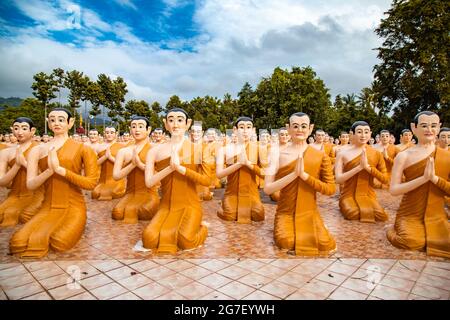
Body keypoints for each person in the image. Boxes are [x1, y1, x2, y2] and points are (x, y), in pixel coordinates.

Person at [10, 108, 99, 258]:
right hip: (48, 206)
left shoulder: (83, 149)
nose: (56, 123)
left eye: (61, 119)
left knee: (59, 241)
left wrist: (61, 170)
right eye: (52, 120)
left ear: (70, 123)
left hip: (73, 205)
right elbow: (31, 184)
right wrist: (48, 172)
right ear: (48, 124)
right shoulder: (37, 150)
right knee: (18, 243)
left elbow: (91, 184)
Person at [264, 112, 336, 256]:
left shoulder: (320, 156)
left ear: (310, 129)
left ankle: (319, 224)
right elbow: (267, 189)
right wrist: (293, 175)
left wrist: (305, 176)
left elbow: (330, 189)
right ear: (288, 128)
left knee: (325, 244)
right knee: (287, 242)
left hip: (309, 211)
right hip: (286, 211)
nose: (299, 130)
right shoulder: (278, 154)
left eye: (304, 126)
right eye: (295, 126)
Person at [142, 108, 211, 253]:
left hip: (190, 204)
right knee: (149, 239)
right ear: (165, 124)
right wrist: (170, 168)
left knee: (185, 240)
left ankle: (202, 228)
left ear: (188, 124)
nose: (175, 124)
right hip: (166, 205)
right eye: (171, 120)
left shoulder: (197, 149)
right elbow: (149, 182)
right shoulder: (154, 151)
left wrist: (181, 169)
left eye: (180, 120)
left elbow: (207, 181)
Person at [387, 111, 449, 258]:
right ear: (414, 128)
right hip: (410, 214)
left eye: (433, 125)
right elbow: (394, 190)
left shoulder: (447, 156)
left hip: (436, 215)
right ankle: (391, 230)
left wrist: (434, 179)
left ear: (439, 127)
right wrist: (423, 179)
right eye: (424, 125)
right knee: (410, 241)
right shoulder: (404, 156)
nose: (429, 129)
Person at [335, 121, 389, 223]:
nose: (363, 135)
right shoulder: (342, 154)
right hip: (349, 194)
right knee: (352, 213)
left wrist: (368, 168)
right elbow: (338, 179)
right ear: (352, 134)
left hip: (368, 195)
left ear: (370, 133)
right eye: (359, 132)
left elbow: (385, 180)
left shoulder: (376, 154)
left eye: (366, 132)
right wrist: (358, 168)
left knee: (381, 215)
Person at [216, 117, 265, 223]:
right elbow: (219, 174)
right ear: (235, 130)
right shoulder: (224, 150)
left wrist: (248, 164)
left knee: (258, 215)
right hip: (232, 192)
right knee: (229, 215)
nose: (245, 130)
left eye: (248, 127)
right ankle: (223, 205)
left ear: (253, 130)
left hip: (251, 192)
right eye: (241, 127)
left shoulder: (259, 149)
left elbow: (266, 174)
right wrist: (238, 164)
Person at [112, 116, 159, 223]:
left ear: (148, 130)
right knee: (117, 213)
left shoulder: (155, 150)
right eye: (134, 126)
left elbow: (158, 175)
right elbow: (116, 176)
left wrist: (140, 165)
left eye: (141, 126)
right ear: (130, 129)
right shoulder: (123, 151)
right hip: (130, 193)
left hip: (149, 193)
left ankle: (158, 204)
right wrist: (132, 165)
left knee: (144, 211)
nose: (137, 130)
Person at [0, 117, 44, 227]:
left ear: (32, 131)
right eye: (16, 128)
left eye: (24, 128)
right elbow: (2, 182)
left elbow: (45, 175)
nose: (20, 132)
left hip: (37, 193)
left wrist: (24, 163)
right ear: (12, 129)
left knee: (18, 215)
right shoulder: (6, 152)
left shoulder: (41, 149)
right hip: (15, 194)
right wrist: (16, 165)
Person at [92, 126, 126, 200]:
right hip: (103, 180)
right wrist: (104, 157)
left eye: (112, 132)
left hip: (116, 179)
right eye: (107, 132)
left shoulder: (121, 147)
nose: (109, 134)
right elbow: (95, 164)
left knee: (113, 192)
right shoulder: (99, 147)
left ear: (116, 134)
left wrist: (110, 158)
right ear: (104, 133)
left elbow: (124, 165)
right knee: (95, 193)